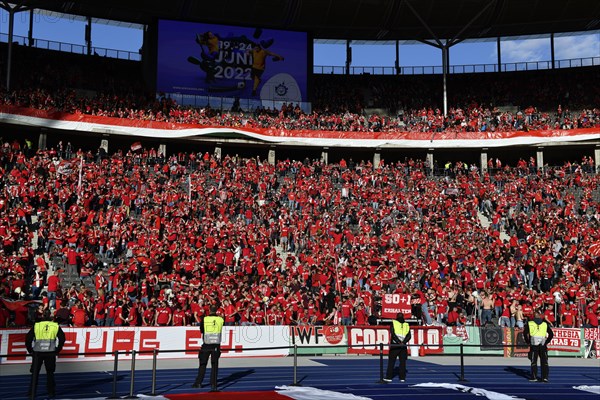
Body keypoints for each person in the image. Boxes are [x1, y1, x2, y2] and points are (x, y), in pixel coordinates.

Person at [25, 309, 66, 398]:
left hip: (37, 352)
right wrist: (57, 350)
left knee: (35, 373)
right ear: (51, 316)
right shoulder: (55, 326)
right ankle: (51, 392)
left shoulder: (37, 325)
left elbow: (28, 338)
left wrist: (30, 350)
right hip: (50, 352)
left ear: (43, 315)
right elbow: (62, 338)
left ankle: (32, 392)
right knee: (50, 373)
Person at [193, 305, 224, 391]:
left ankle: (199, 382)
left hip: (207, 343)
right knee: (214, 364)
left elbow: (202, 330)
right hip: (216, 343)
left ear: (209, 310)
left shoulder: (205, 319)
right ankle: (213, 384)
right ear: (216, 311)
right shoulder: (221, 319)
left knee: (203, 363)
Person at [523, 310, 554, 383]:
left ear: (534, 316)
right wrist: (546, 342)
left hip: (534, 345)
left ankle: (534, 377)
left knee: (534, 361)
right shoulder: (545, 324)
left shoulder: (530, 323)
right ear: (540, 316)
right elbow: (551, 334)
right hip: (543, 345)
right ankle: (544, 378)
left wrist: (528, 342)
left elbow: (525, 333)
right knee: (544, 362)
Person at [384, 313, 412, 383]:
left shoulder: (394, 323)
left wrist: (398, 342)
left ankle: (389, 377)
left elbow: (392, 333)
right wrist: (403, 342)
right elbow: (409, 336)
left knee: (391, 362)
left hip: (395, 345)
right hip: (403, 346)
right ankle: (402, 378)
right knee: (402, 362)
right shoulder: (406, 325)